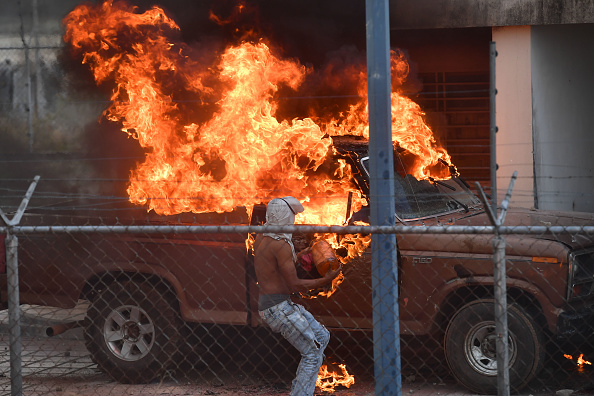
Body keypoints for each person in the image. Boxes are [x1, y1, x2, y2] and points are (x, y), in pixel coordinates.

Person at [254, 196, 341, 396]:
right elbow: (295, 285)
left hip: (277, 304)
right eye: (292, 215)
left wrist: (305, 252)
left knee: (322, 336)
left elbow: (276, 264)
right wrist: (326, 279)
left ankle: (302, 388)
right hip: (278, 308)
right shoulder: (281, 245)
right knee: (312, 354)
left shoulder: (263, 236)